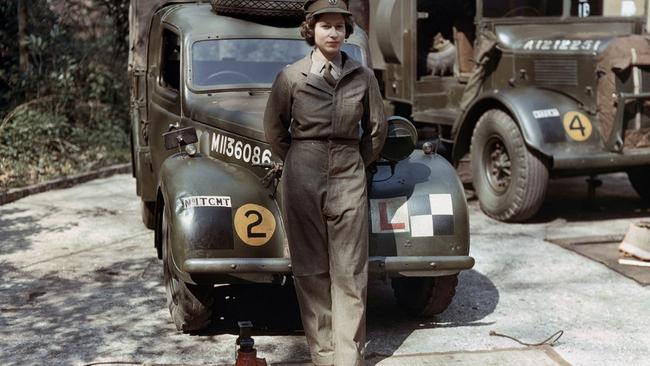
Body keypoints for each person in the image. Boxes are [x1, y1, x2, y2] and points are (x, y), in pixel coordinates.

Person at [263, 1, 387, 364]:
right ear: (310, 30)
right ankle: (323, 354)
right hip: (303, 172)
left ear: (348, 32)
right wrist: (300, 161)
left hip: (349, 171)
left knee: (350, 269)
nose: (333, 33)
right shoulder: (291, 76)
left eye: (340, 26)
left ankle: (347, 358)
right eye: (325, 26)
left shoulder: (362, 76)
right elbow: (275, 130)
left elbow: (376, 131)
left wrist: (355, 164)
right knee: (311, 270)